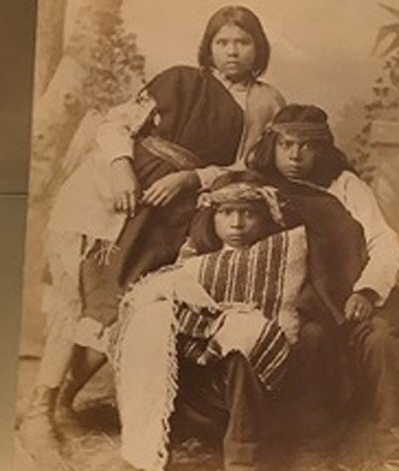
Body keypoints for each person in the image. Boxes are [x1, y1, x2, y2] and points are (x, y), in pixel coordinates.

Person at [20, 5, 285, 446]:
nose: (232, 52)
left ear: (258, 47)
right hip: (119, 193)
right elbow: (116, 123)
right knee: (86, 294)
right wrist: (123, 169)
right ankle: (40, 409)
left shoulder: (266, 101)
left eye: (242, 42)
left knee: (128, 301)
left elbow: (246, 167)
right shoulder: (181, 79)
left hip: (178, 210)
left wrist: (189, 178)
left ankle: (67, 398)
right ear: (209, 46)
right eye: (222, 42)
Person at [113, 171, 308, 471]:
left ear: (266, 216)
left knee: (245, 337)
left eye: (248, 214)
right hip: (202, 377)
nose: (237, 224)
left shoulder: (286, 253)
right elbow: (158, 290)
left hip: (257, 378)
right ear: (212, 218)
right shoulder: (196, 259)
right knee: (152, 324)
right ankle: (152, 447)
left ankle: (243, 455)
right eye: (226, 213)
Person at [247, 104, 399, 464]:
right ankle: (314, 446)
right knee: (310, 340)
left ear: (322, 150)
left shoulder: (345, 185)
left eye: (307, 146)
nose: (295, 155)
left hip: (353, 293)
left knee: (381, 338)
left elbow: (382, 240)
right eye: (286, 144)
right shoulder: (262, 188)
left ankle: (391, 443)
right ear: (272, 145)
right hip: (300, 301)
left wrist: (365, 291)